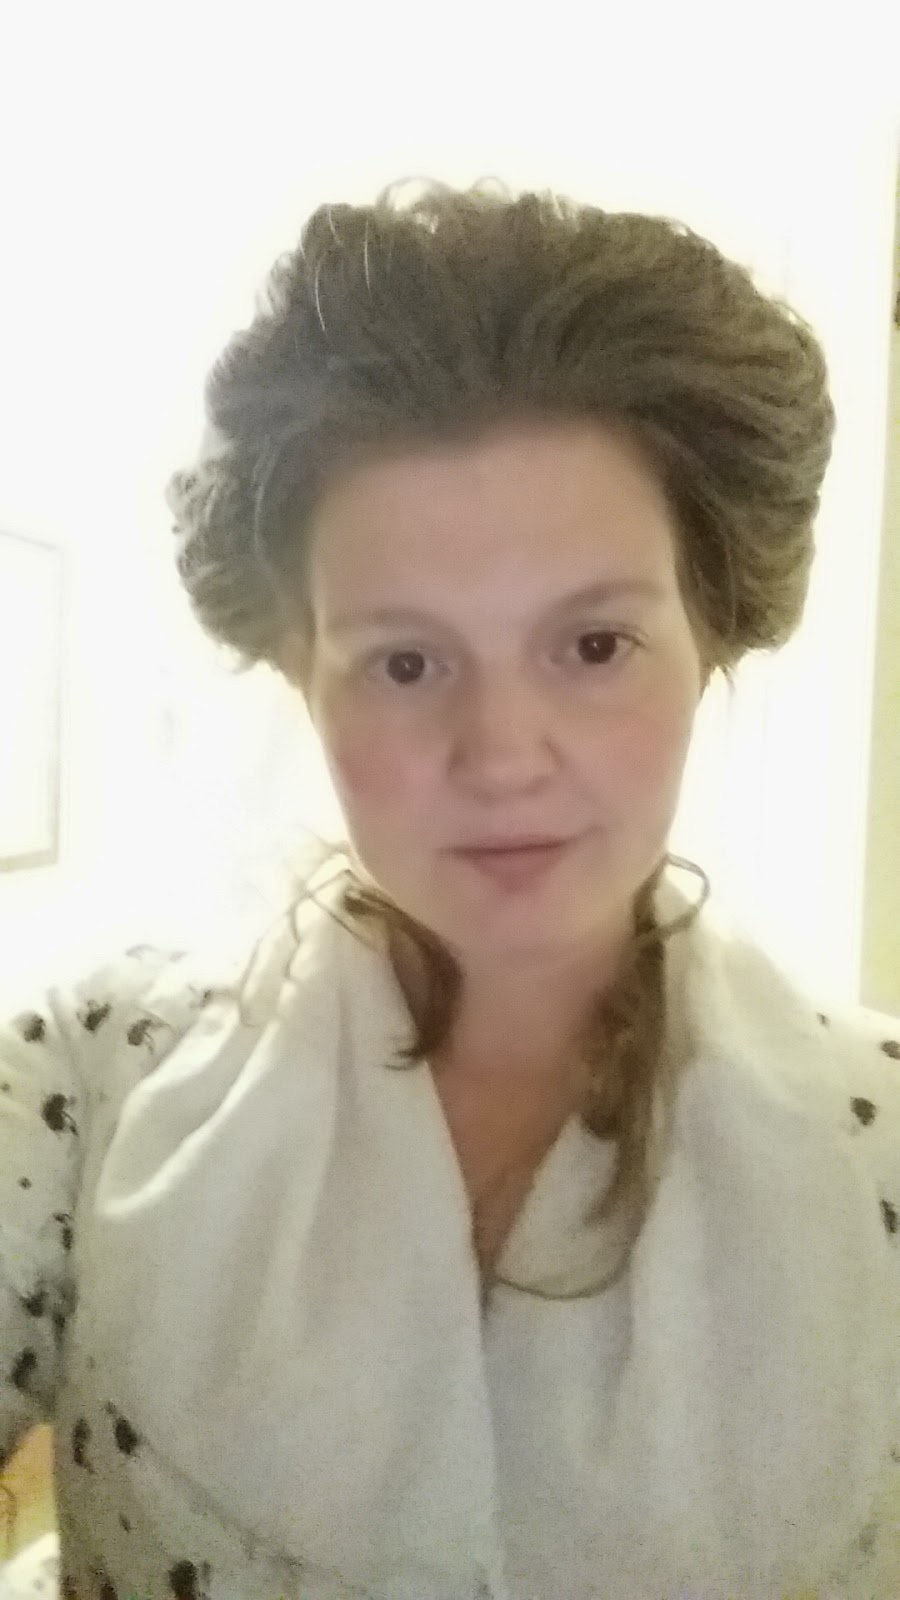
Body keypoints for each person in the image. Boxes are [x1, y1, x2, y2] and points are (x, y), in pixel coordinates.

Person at [1, 174, 899, 1600]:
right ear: (300, 673)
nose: (501, 756)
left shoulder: (879, 1147)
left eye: (593, 646)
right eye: (405, 662)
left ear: (712, 640)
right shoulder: (90, 1079)